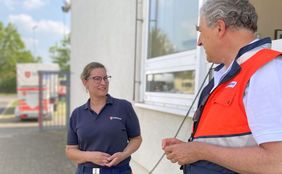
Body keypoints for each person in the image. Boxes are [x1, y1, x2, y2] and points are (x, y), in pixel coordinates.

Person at [162, 0, 282, 173]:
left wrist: (200, 151)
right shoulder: (228, 74)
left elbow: (276, 162)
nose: (199, 42)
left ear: (219, 28)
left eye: (200, 31)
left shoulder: (266, 71)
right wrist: (191, 149)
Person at [66, 62, 142, 174]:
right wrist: (90, 156)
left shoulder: (123, 107)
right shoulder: (77, 114)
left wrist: (123, 155)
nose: (103, 82)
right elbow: (70, 150)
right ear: (85, 82)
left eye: (105, 78)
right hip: (86, 171)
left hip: (119, 170)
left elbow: (136, 139)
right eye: (97, 78)